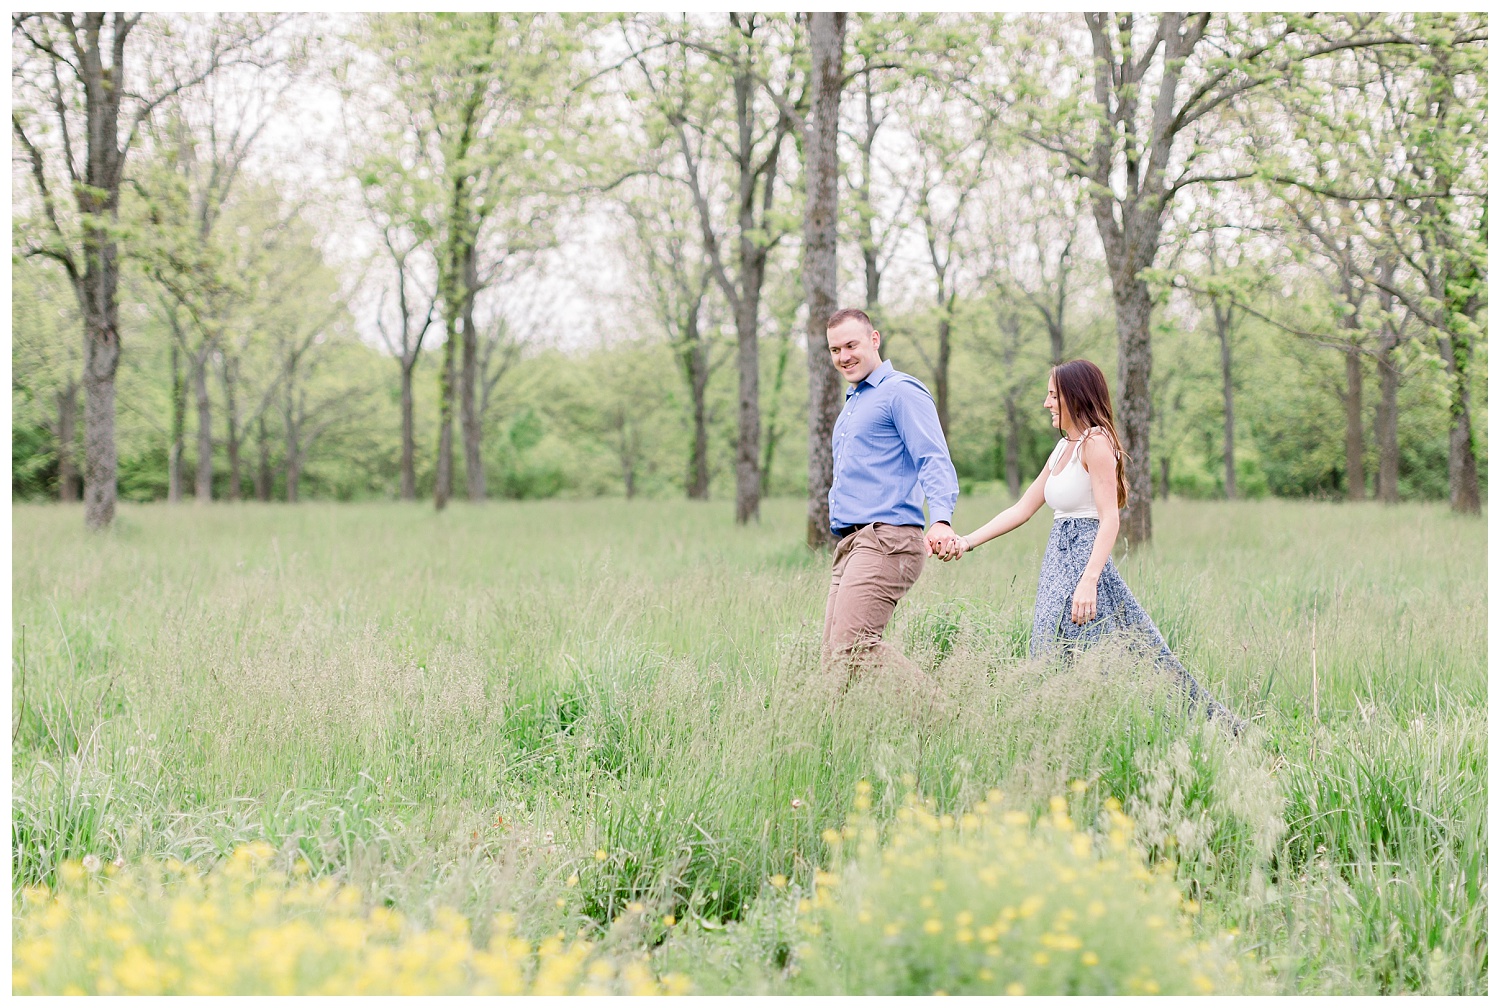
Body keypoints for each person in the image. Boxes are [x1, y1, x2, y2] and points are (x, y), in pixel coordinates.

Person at [937, 359, 1244, 732]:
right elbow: (1021, 509)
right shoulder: (1063, 448)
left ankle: (1210, 729)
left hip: (1084, 562)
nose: (1047, 403)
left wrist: (1089, 580)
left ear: (1074, 396)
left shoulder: (1096, 443)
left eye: (1053, 395)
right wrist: (965, 542)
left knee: (1121, 656)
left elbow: (1110, 517)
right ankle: (1061, 736)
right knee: (1050, 652)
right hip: (1056, 563)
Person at [822, 307, 959, 682]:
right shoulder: (855, 402)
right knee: (835, 660)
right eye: (835, 350)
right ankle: (834, 739)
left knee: (853, 647)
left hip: (887, 540)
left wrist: (942, 520)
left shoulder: (900, 391)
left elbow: (933, 458)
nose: (843, 356)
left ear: (874, 339)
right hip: (853, 542)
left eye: (851, 345)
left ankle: (947, 723)